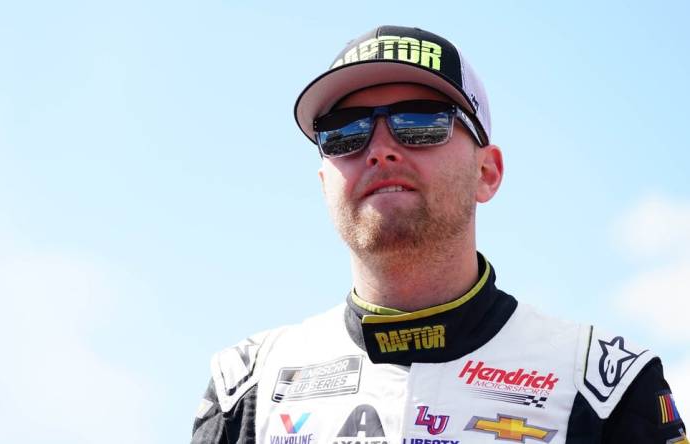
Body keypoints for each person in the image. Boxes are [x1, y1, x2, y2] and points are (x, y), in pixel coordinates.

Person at [191, 26, 686, 444]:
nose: (380, 149)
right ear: (325, 184)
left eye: (420, 122)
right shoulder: (246, 388)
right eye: (344, 131)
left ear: (487, 173)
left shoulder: (605, 387)